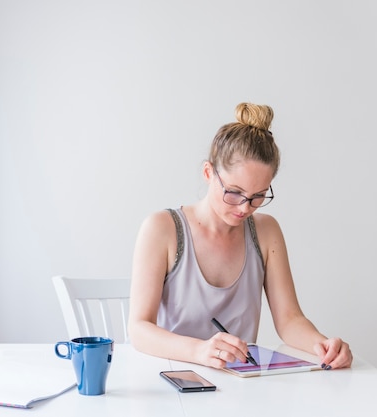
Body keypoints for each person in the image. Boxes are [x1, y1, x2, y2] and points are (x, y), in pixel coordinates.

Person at [128, 102, 352, 370]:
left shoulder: (266, 232)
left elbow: (289, 319)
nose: (245, 207)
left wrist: (323, 345)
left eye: (258, 196)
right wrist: (200, 351)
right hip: (174, 378)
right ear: (209, 173)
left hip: (240, 384)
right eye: (234, 192)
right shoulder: (162, 228)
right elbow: (139, 328)